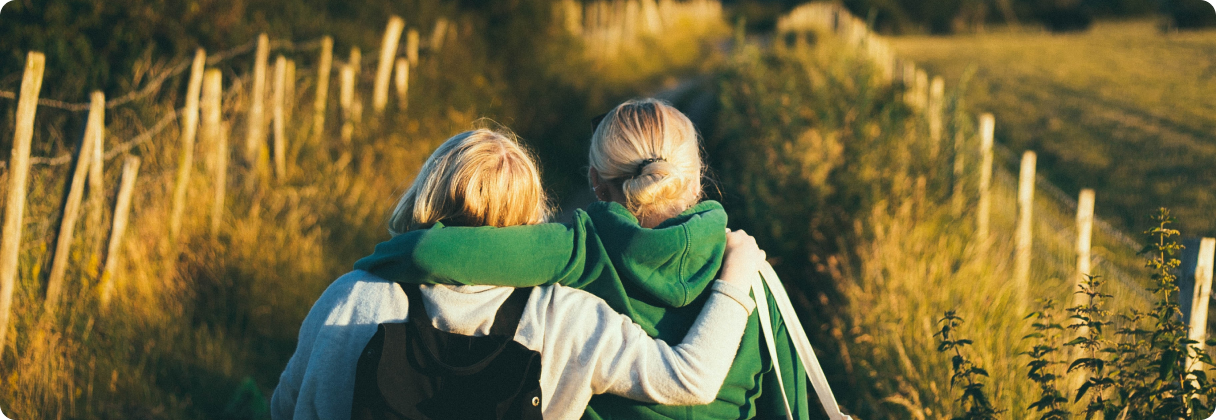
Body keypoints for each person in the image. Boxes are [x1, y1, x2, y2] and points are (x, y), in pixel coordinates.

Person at [356, 99, 812, 419]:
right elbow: (789, 404)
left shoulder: (579, 248)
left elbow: (426, 251)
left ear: (596, 183)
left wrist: (371, 263)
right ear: (695, 181)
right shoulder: (750, 274)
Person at [271, 128, 766, 420]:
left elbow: (286, 407)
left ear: (425, 194)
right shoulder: (564, 316)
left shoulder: (352, 299)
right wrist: (736, 276)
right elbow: (691, 380)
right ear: (532, 214)